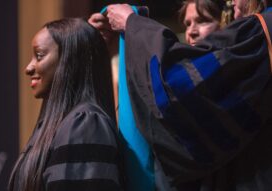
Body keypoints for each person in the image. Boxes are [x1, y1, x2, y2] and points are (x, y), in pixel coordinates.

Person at [89, 1, 272, 190]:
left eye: (202, 21)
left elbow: (172, 80)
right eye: (187, 24)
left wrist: (132, 24)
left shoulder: (262, 32)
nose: (191, 32)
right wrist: (101, 44)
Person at [8, 18, 124, 191]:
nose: (28, 68)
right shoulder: (58, 125)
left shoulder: (85, 125)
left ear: (70, 59)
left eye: (39, 56)